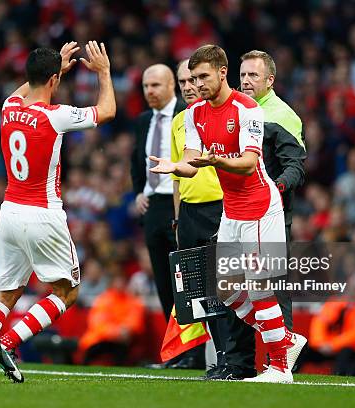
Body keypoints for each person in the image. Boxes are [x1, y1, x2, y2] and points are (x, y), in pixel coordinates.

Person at [0, 41, 115, 383]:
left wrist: (52, 70)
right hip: (43, 213)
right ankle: (7, 343)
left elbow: (26, 90)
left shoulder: (8, 106)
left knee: (6, 294)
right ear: (55, 80)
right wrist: (103, 72)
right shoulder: (55, 116)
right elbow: (107, 111)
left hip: (9, 212)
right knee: (66, 292)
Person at [150, 44, 304, 383]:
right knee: (226, 293)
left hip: (261, 207)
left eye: (204, 76)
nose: (198, 84)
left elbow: (250, 164)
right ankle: (285, 338)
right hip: (231, 211)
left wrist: (218, 161)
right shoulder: (194, 114)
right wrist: (173, 165)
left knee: (259, 287)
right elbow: (191, 163)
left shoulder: (247, 108)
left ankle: (280, 368)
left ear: (222, 73)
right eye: (193, 78)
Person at [210, 50, 308, 380]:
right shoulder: (234, 108)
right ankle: (252, 360)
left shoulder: (282, 116)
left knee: (270, 289)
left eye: (254, 75)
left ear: (270, 81)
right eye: (243, 75)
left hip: (270, 213)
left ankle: (280, 366)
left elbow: (296, 164)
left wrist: (276, 188)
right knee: (233, 286)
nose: (246, 81)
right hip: (237, 211)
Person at [170, 58, 224, 370]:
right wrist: (178, 220)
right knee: (200, 293)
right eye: (183, 83)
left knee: (224, 289)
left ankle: (233, 357)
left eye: (194, 80)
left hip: (220, 208)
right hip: (190, 213)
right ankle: (219, 358)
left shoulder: (223, 113)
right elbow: (177, 179)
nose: (189, 87)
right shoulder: (180, 121)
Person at [130, 64, 187, 322]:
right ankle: (175, 351)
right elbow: (136, 162)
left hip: (178, 204)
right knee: (163, 282)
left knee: (184, 281)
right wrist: (139, 192)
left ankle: (193, 352)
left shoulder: (186, 113)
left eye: (155, 85)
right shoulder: (143, 121)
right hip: (152, 207)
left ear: (171, 85)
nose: (149, 91)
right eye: (145, 86)